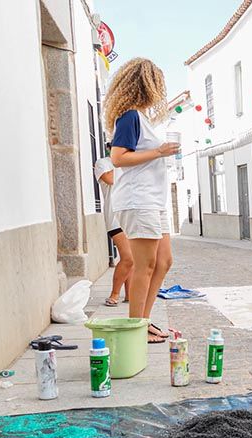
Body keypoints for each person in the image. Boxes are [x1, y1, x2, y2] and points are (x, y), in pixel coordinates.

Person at [103, 58, 179, 344]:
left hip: (153, 200)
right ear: (146, 84)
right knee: (144, 265)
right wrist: (159, 152)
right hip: (138, 199)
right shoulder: (129, 116)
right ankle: (137, 328)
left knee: (163, 261)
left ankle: (144, 322)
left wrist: (160, 152)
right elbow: (118, 157)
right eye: (157, 83)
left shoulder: (142, 118)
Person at [94, 143, 133, 307]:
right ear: (110, 148)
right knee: (128, 257)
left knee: (133, 260)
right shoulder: (103, 163)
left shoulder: (130, 165)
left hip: (131, 215)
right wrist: (124, 164)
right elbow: (109, 179)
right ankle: (114, 294)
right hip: (115, 217)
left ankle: (130, 295)